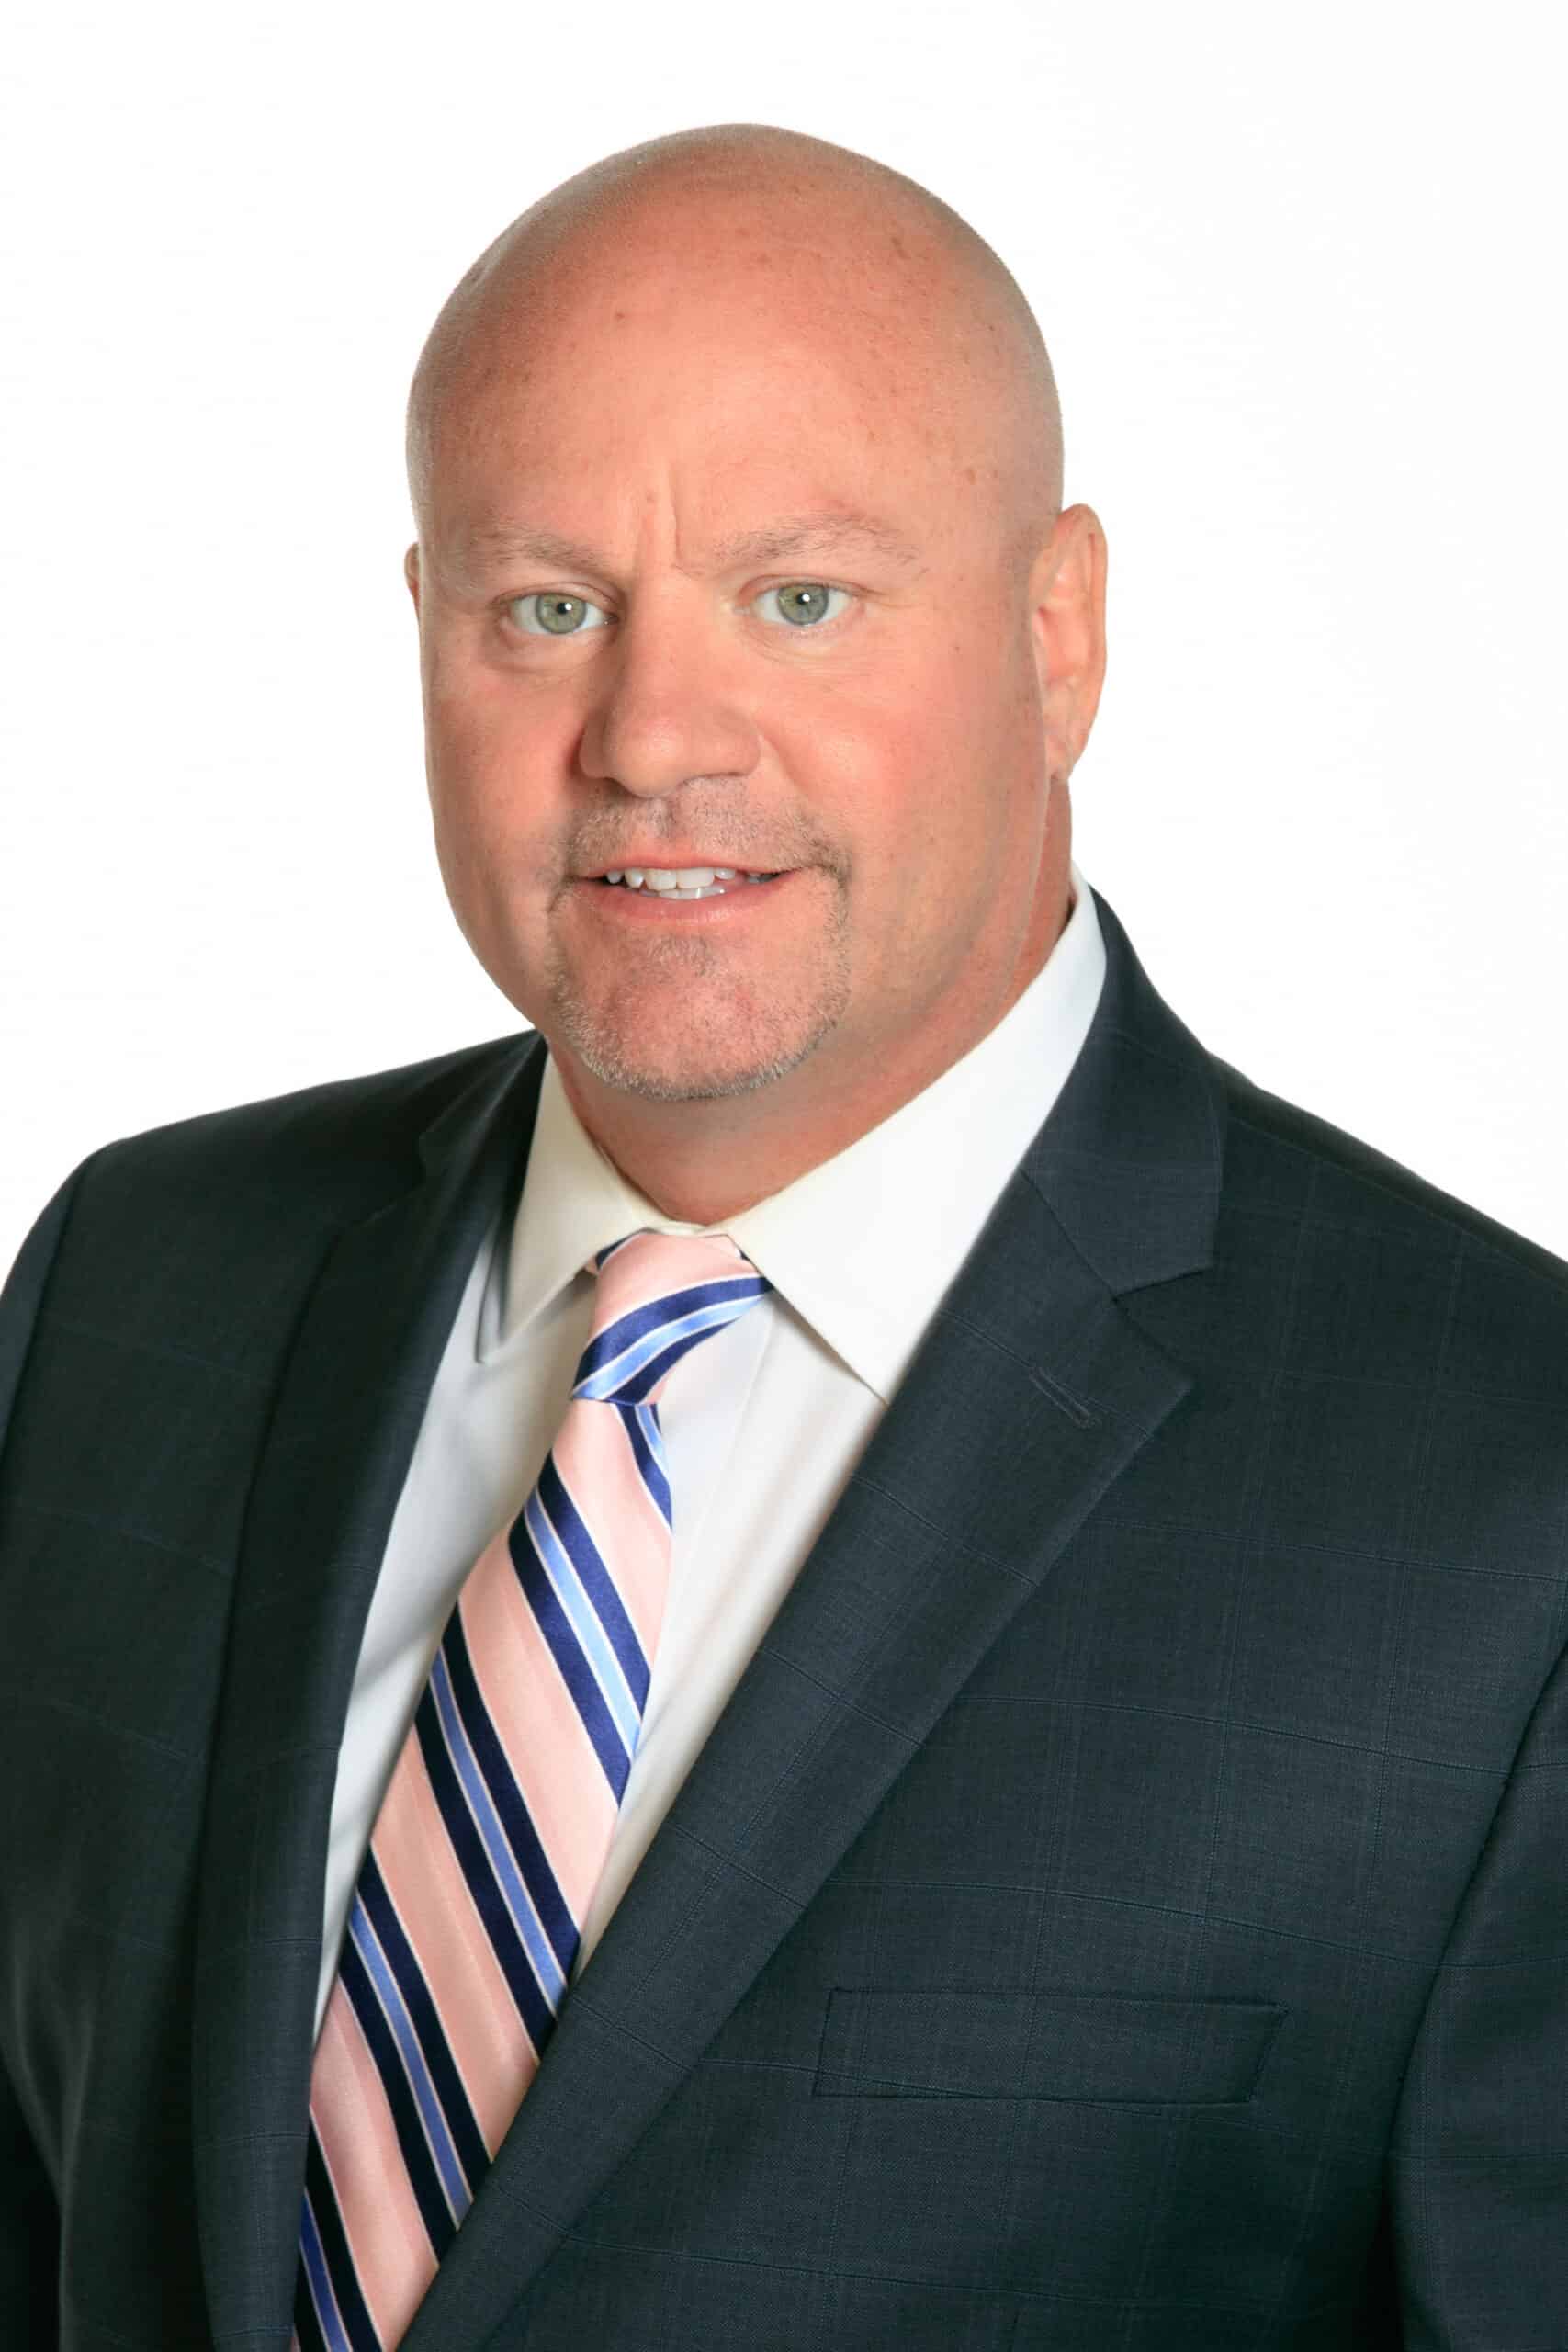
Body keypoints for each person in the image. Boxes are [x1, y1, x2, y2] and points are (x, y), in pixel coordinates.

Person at [1, 119, 1564, 2352]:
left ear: (1058, 636)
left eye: (798, 596)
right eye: (545, 605)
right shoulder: (133, 1294)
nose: (650, 735)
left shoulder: (1507, 1505)